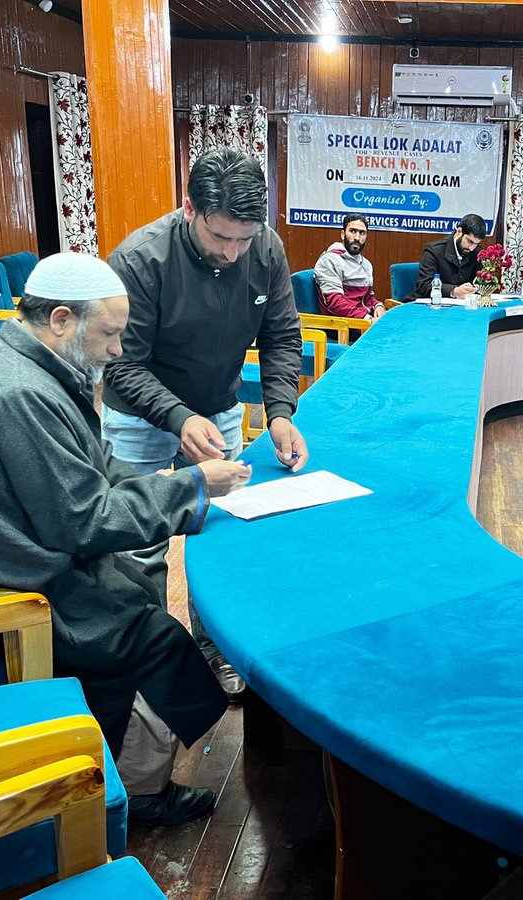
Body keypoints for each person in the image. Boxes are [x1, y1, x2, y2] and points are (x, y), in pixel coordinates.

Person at [0, 253, 252, 826]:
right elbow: (84, 520)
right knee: (144, 633)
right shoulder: (21, 394)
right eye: (109, 334)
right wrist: (191, 488)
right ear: (61, 319)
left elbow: (100, 468)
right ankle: (125, 797)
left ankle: (119, 772)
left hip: (0, 551)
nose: (116, 350)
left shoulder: (35, 370)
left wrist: (187, 488)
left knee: (135, 589)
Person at [102, 148, 307, 701]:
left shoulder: (264, 248)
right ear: (188, 208)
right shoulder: (140, 261)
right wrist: (175, 415)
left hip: (218, 409)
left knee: (215, 533)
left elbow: (282, 336)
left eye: (245, 239)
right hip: (140, 419)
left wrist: (281, 411)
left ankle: (214, 647)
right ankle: (140, 663)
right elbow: (121, 363)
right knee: (137, 544)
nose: (234, 252)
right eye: (221, 238)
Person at [314, 213, 384, 320]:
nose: (357, 237)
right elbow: (335, 303)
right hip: (342, 324)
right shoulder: (329, 260)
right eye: (353, 231)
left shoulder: (366, 264)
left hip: (363, 318)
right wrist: (367, 319)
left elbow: (368, 297)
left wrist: (378, 306)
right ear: (343, 234)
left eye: (362, 233)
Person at [407, 214, 487, 301]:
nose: (471, 248)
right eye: (470, 241)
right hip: (426, 304)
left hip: (459, 306)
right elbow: (425, 286)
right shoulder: (434, 250)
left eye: (476, 244)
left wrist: (477, 287)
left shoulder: (477, 252)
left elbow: (478, 282)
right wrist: (454, 291)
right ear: (459, 231)